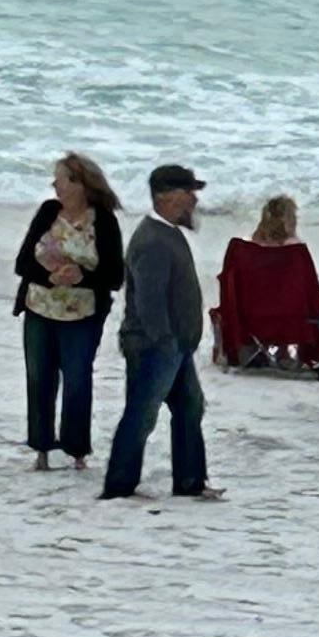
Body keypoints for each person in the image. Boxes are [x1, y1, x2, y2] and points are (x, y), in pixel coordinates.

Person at [101, 164, 224, 502]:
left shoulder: (166, 233)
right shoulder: (154, 240)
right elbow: (148, 300)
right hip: (155, 345)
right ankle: (119, 485)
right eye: (188, 193)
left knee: (189, 409)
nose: (194, 200)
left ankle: (190, 481)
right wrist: (165, 341)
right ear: (166, 196)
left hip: (174, 345)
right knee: (141, 415)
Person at [12, 152, 125, 470]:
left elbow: (115, 276)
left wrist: (81, 277)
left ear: (79, 184)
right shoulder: (48, 212)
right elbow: (23, 263)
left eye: (60, 178)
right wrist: (49, 276)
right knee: (39, 379)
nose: (54, 184)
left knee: (77, 380)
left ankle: (77, 451)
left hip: (82, 315)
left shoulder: (102, 220)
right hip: (39, 308)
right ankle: (41, 449)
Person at [214, 194, 319, 370]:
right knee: (296, 298)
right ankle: (283, 353)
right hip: (290, 318)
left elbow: (232, 284)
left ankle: (251, 348)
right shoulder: (296, 252)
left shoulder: (243, 250)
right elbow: (310, 288)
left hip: (249, 316)